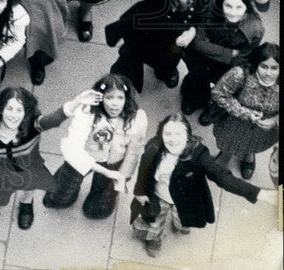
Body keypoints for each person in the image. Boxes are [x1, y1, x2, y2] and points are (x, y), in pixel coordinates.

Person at [130, 112, 276, 258]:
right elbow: (143, 170)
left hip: (185, 199)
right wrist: (139, 190)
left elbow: (222, 177)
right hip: (157, 196)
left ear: (188, 136)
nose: (173, 140)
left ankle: (181, 224)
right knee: (153, 221)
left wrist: (257, 193)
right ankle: (154, 239)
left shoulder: (197, 153)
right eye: (168, 133)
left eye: (179, 134)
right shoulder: (154, 147)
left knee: (183, 218)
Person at [0, 87, 98, 232]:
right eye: (9, 108)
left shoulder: (33, 125)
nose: (13, 115)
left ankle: (26, 203)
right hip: (0, 169)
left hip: (30, 167)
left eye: (19, 110)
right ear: (0, 109)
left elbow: (55, 118)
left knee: (30, 187)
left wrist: (77, 101)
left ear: (26, 112)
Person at [43, 74, 149, 220]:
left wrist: (123, 175)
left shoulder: (136, 119)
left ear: (127, 99)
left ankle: (97, 209)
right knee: (66, 183)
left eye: (120, 98)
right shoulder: (88, 113)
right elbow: (74, 148)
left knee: (105, 194)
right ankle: (57, 199)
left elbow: (134, 151)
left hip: (114, 161)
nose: (115, 104)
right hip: (84, 156)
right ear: (100, 98)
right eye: (109, 98)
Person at [180, 0, 265, 122]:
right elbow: (197, 42)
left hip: (229, 64)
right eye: (228, 5)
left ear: (246, 7)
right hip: (205, 55)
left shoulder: (256, 28)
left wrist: (229, 79)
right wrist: (229, 53)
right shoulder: (211, 6)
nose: (232, 13)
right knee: (196, 78)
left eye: (239, 7)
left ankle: (213, 111)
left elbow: (244, 57)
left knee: (227, 89)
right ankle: (192, 99)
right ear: (222, 2)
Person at [209, 43, 279, 180]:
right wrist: (244, 112)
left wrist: (275, 120)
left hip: (263, 132)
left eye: (274, 68)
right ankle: (226, 154)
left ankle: (249, 154)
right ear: (256, 64)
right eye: (264, 67)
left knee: (253, 146)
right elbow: (218, 93)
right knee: (228, 143)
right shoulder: (240, 74)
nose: (269, 73)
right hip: (234, 124)